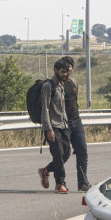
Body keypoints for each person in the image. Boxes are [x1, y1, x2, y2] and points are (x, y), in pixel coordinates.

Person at [37, 58, 71, 194]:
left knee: (66, 154)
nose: (65, 74)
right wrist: (49, 128)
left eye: (66, 72)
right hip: (52, 126)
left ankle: (45, 171)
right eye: (62, 72)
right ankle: (60, 183)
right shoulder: (48, 86)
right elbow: (44, 109)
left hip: (64, 125)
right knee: (58, 154)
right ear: (55, 70)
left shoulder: (62, 85)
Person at [60, 56, 91, 192]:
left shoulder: (74, 82)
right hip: (63, 123)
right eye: (65, 70)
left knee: (82, 151)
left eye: (70, 69)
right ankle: (52, 174)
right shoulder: (55, 84)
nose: (67, 73)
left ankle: (82, 182)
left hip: (76, 121)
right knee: (63, 154)